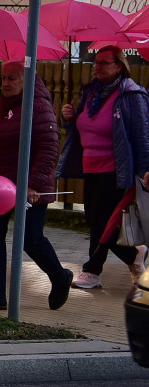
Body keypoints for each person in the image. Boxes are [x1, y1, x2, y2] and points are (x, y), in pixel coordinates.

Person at [0, 60, 72, 310]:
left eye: (12, 78)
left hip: (29, 187)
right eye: (3, 78)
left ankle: (60, 276)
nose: (6, 83)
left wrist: (33, 184)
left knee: (31, 240)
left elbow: (48, 149)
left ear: (27, 80)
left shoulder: (39, 108)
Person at [58, 45, 149, 289]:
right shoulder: (91, 92)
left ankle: (92, 271)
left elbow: (142, 135)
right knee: (95, 219)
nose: (97, 67)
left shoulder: (132, 95)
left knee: (101, 221)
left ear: (119, 65)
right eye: (95, 63)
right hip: (91, 166)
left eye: (103, 63)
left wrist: (145, 170)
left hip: (116, 169)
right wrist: (68, 119)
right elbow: (81, 129)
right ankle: (134, 256)